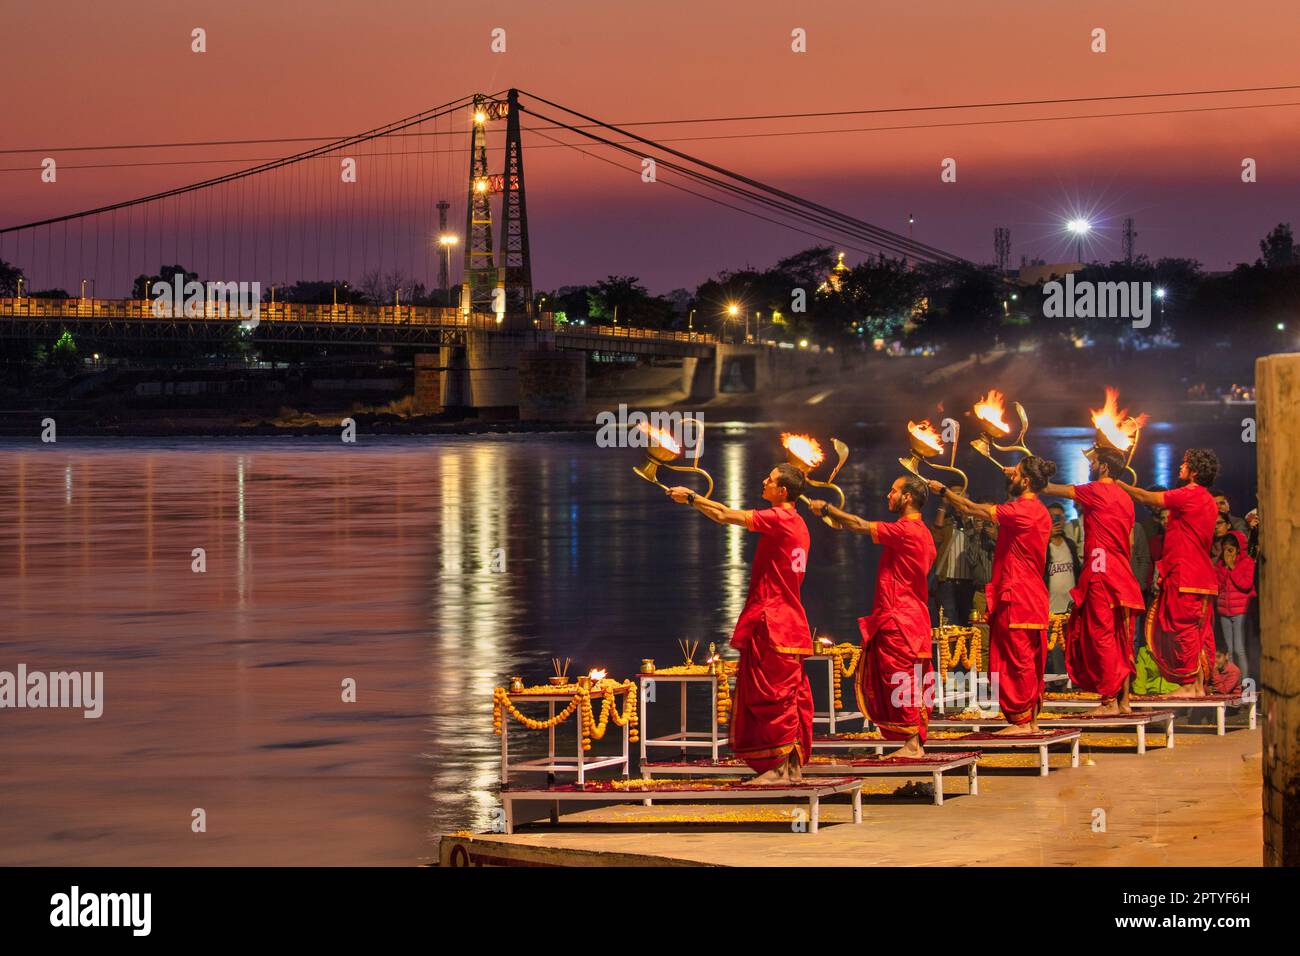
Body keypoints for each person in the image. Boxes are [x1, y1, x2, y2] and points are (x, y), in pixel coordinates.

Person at [667, 464, 814, 784]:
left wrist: (691, 497)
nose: (763, 480)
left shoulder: (779, 518)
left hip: (773, 622)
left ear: (783, 492)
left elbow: (723, 515)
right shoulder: (800, 523)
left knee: (770, 697)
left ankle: (777, 769)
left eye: (770, 479)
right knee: (787, 696)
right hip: (791, 622)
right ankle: (791, 768)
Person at [809, 475, 936, 758]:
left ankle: (912, 746)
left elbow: (859, 525)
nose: (887, 496)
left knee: (899, 679)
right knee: (907, 679)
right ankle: (912, 742)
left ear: (907, 498)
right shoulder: (922, 532)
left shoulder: (907, 530)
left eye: (893, 490)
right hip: (911, 618)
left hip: (899, 619)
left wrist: (829, 509)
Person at [928, 455, 1056, 734]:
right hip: (1031, 594)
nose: (1010, 477)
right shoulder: (1040, 511)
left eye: (1017, 474)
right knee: (1028, 660)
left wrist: (943, 492)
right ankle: (1029, 719)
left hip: (1017, 595)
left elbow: (973, 508)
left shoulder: (1022, 510)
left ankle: (1022, 722)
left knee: (1016, 659)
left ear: (1026, 481)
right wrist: (1015, 472)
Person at [1041, 447, 1146, 715]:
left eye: (1095, 462)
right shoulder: (1126, 499)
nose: (1091, 466)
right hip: (1123, 575)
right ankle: (1124, 701)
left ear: (1104, 468)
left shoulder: (1096, 490)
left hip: (1101, 573)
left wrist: (1029, 477)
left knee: (1101, 638)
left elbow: (1053, 490)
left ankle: (1109, 701)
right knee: (1121, 639)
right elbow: (1131, 543)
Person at [1117, 448, 1220, 697]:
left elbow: (1147, 498)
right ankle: (1197, 685)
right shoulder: (1207, 498)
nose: (1180, 468)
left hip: (1185, 574)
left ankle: (1188, 684)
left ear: (1194, 471)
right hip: (1200, 575)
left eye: (1184, 465)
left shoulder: (1190, 494)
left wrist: (1120, 485)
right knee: (1197, 631)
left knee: (1181, 628)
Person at [1042, 503, 1080, 678]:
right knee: (1054, 648)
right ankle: (1059, 683)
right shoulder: (1042, 545)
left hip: (1071, 607)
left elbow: (1078, 571)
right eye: (1052, 517)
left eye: (1059, 517)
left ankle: (1074, 681)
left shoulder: (1070, 544)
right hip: (1050, 607)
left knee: (1073, 646)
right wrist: (1045, 537)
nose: (1056, 521)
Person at [930, 485, 975, 627]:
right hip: (946, 581)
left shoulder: (975, 521)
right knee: (948, 623)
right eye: (953, 494)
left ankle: (966, 650)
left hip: (969, 581)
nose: (957, 497)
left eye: (960, 494)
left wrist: (965, 511)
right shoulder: (947, 521)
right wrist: (943, 505)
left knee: (968, 623)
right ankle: (949, 649)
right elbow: (935, 537)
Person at [1214, 530, 1255, 680]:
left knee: (1239, 649)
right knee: (1229, 651)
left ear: (1238, 549)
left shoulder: (1247, 562)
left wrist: (1233, 567)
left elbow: (1245, 585)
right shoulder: (1220, 565)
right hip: (1224, 610)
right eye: (1225, 548)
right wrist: (1225, 568)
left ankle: (1245, 684)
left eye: (1230, 549)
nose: (1227, 552)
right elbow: (1218, 587)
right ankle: (1233, 683)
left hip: (1240, 611)